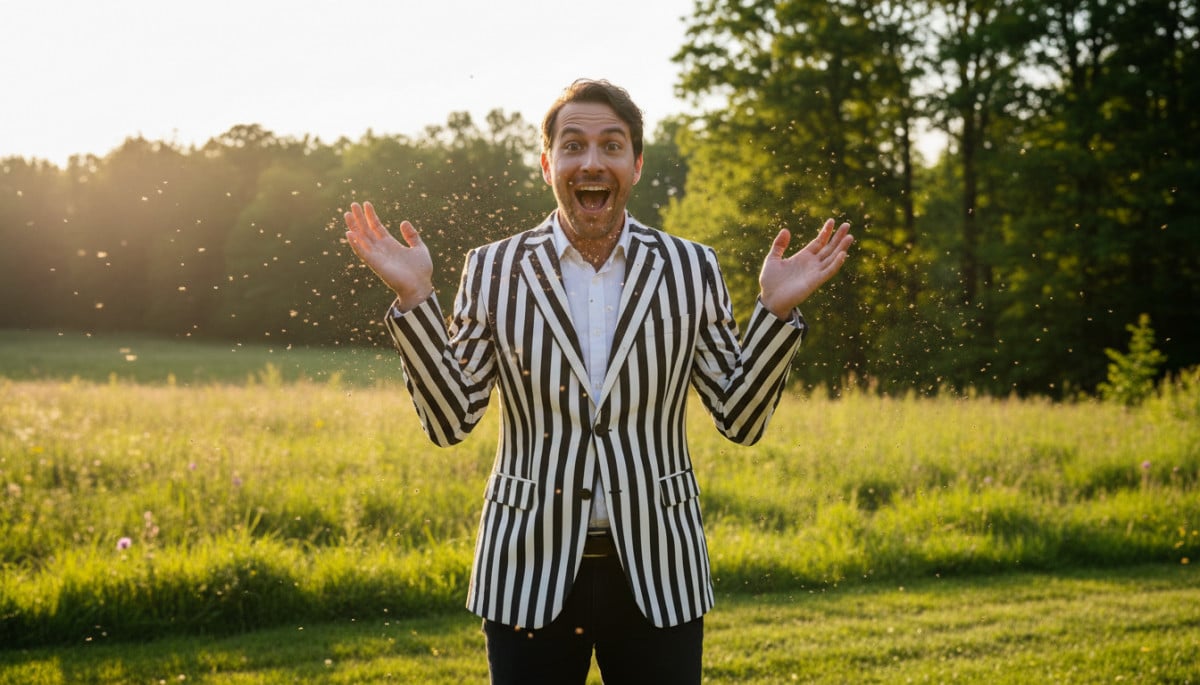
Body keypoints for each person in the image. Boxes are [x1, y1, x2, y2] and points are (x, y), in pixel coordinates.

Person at [343, 78, 853, 685]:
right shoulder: (494, 268)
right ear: (547, 164)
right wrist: (416, 298)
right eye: (573, 145)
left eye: (612, 146)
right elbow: (450, 421)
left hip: (660, 568)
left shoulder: (692, 269)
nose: (592, 161)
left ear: (635, 165)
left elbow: (740, 420)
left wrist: (773, 314)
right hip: (526, 567)